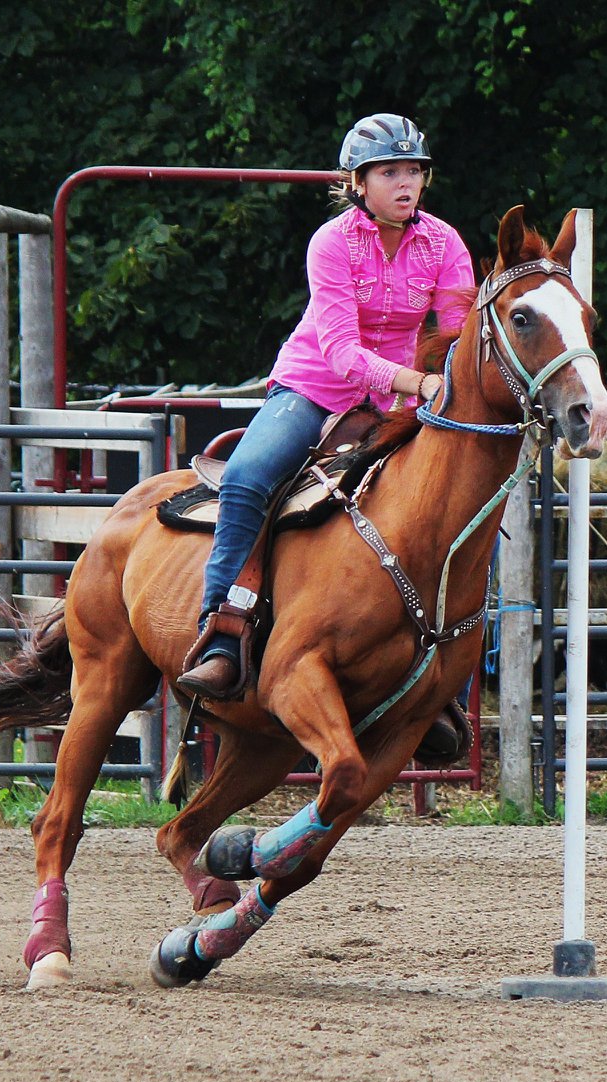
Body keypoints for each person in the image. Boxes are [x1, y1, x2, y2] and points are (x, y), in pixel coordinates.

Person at [176, 112, 476, 701]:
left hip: (405, 399)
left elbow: (459, 333)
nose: (405, 182)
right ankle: (221, 632)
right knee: (246, 477)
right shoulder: (331, 242)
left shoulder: (445, 242)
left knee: (453, 499)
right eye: (389, 171)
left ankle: (437, 671)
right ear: (358, 183)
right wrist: (419, 383)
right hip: (315, 389)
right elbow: (340, 352)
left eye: (415, 170)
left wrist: (444, 379)